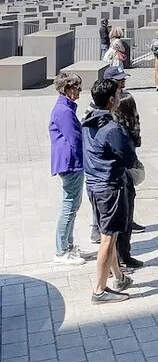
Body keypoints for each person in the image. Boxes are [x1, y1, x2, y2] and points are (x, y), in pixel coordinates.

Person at [82, 79, 136, 304]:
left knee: (109, 234)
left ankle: (119, 277)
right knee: (108, 238)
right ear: (112, 99)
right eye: (118, 93)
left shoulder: (88, 120)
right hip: (109, 187)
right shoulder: (112, 128)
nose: (120, 96)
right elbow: (129, 158)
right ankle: (99, 290)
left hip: (94, 184)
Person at [49, 72, 86, 266]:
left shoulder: (65, 108)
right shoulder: (64, 110)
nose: (79, 90)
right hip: (70, 163)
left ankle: (67, 246)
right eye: (76, 87)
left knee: (72, 204)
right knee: (70, 205)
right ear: (67, 89)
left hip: (70, 162)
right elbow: (75, 139)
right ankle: (62, 250)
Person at [111, 68, 144, 269]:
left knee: (120, 219)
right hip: (119, 177)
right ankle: (122, 257)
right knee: (123, 217)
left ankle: (121, 256)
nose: (123, 82)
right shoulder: (121, 131)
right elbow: (128, 155)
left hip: (112, 177)